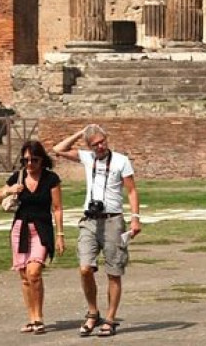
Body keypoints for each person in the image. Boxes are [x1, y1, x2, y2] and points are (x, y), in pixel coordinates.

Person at [53, 125, 141, 337]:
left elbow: (131, 190)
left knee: (114, 272)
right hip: (90, 221)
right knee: (85, 268)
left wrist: (135, 218)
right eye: (95, 144)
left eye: (102, 141)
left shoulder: (121, 160)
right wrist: (79, 132)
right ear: (88, 146)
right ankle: (93, 312)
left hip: (113, 220)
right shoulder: (87, 157)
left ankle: (110, 319)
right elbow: (58, 149)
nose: (100, 146)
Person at [0, 141, 64, 335]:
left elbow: (57, 208)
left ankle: (39, 317)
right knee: (25, 277)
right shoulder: (18, 177)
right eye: (25, 160)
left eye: (34, 159)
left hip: (42, 229)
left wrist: (60, 235)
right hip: (20, 228)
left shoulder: (51, 179)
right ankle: (31, 318)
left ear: (42, 160)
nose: (30, 164)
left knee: (34, 272)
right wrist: (9, 190)